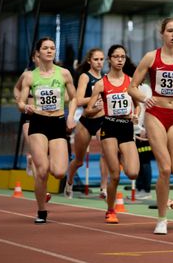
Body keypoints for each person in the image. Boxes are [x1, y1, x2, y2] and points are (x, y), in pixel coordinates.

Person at [128, 18, 173, 235]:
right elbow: (132, 87)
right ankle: (162, 219)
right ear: (162, 34)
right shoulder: (151, 57)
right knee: (165, 168)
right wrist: (143, 97)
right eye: (170, 31)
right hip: (155, 114)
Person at [17, 37, 77, 223]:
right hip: (38, 122)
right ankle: (41, 211)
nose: (50, 51)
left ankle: (43, 156)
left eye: (52, 48)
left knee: (59, 172)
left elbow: (74, 98)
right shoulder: (29, 76)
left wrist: (70, 116)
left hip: (58, 122)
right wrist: (25, 107)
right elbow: (20, 100)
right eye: (45, 48)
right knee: (42, 171)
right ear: (38, 53)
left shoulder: (64, 73)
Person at [86, 44, 140, 224]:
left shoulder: (131, 81)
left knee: (132, 173)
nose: (119, 60)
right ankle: (110, 210)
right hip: (109, 127)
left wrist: (136, 115)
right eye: (116, 56)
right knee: (115, 175)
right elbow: (87, 110)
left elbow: (138, 104)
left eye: (122, 57)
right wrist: (96, 107)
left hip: (126, 127)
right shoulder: (101, 83)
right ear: (110, 59)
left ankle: (122, 157)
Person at [64, 48, 106, 199]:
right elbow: (79, 100)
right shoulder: (85, 77)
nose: (99, 62)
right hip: (86, 121)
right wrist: (96, 96)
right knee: (79, 161)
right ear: (89, 61)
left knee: (107, 152)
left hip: (102, 120)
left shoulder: (106, 78)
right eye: (96, 59)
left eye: (101, 59)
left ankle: (104, 187)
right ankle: (69, 182)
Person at [13, 49, 51, 203]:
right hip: (29, 120)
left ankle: (30, 160)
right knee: (37, 156)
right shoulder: (27, 75)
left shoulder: (51, 76)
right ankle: (43, 190)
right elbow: (16, 88)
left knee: (44, 157)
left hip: (47, 120)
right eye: (36, 57)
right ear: (34, 58)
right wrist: (19, 101)